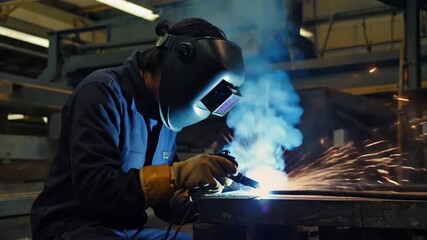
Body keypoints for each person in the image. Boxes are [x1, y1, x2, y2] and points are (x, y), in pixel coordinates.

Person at [30, 17, 245, 240]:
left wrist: (201, 193)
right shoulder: (102, 93)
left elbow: (165, 206)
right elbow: (95, 192)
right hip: (71, 227)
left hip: (127, 230)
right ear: (180, 63)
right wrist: (177, 175)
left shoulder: (165, 114)